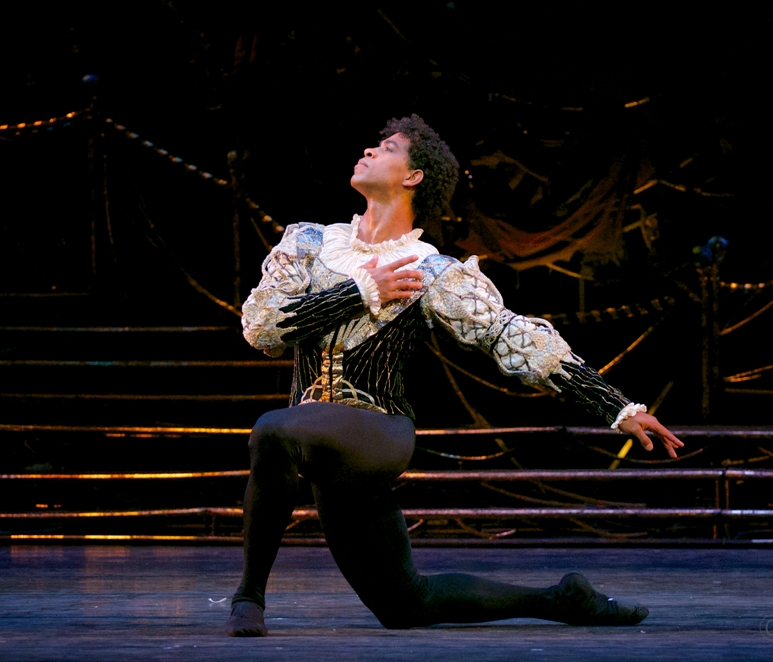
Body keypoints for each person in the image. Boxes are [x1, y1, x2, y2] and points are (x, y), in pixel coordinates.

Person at [225, 115, 683, 636]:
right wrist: (358, 291)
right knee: (404, 605)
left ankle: (248, 595)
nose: (370, 151)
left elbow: (514, 338)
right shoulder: (308, 243)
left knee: (272, 429)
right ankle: (562, 600)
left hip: (377, 432)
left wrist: (616, 407)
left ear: (413, 176)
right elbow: (260, 329)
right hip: (318, 442)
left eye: (388, 147)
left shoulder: (431, 270)